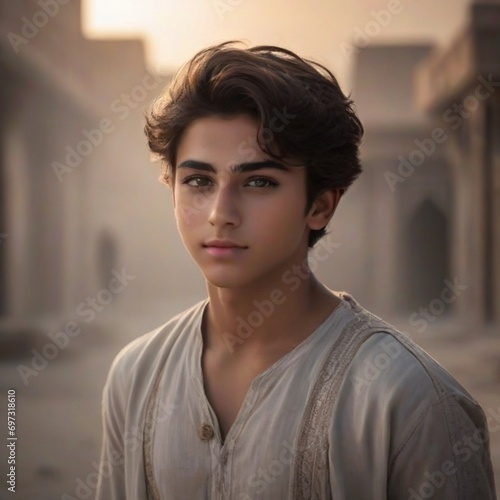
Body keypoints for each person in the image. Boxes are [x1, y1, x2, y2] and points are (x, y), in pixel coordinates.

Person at [95, 42, 497, 499]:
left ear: (321, 206)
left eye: (259, 182)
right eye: (199, 181)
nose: (220, 213)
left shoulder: (409, 403)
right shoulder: (135, 378)